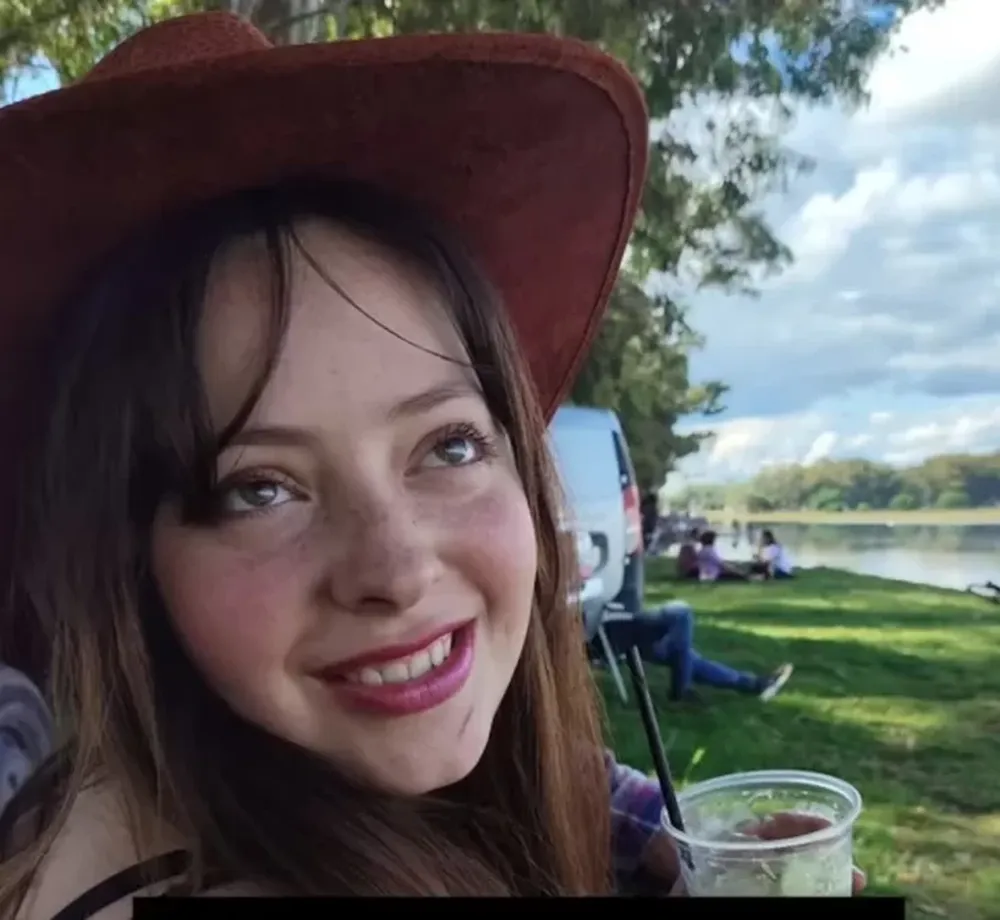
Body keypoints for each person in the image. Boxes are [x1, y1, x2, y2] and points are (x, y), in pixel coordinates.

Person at [0, 12, 862, 910]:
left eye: (448, 444)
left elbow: (569, 777)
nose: (399, 569)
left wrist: (655, 836)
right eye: (260, 488)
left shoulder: (211, 776)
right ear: (127, 556)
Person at [603, 602, 793, 704]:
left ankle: (755, 685)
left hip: (617, 623)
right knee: (682, 613)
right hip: (610, 627)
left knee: (684, 655)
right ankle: (680, 691)